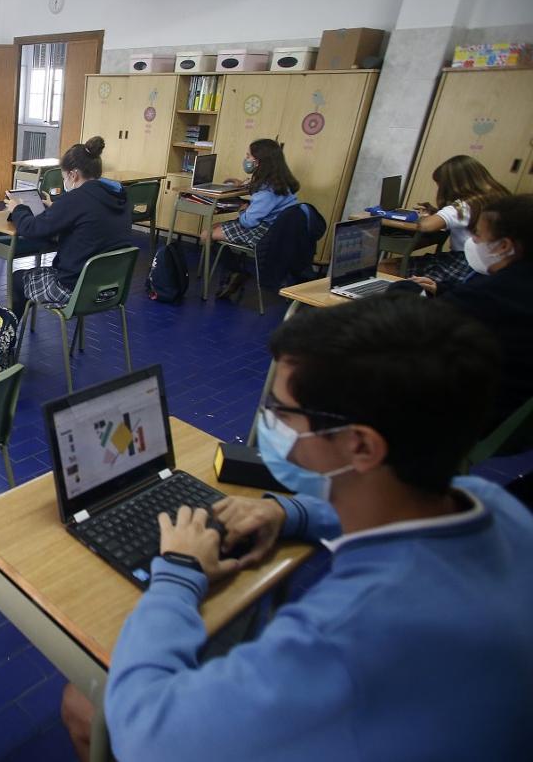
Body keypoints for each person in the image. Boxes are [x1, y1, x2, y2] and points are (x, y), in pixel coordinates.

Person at [58, 294, 533, 762]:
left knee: (83, 706)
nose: (270, 422)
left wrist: (179, 572)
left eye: (283, 411)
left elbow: (147, 732)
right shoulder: (496, 507)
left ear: (361, 447)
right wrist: (290, 512)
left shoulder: (341, 635)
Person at [412, 193, 533, 424]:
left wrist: (404, 290)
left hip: (479, 411)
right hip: (515, 416)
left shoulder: (495, 293)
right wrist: (444, 289)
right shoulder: (516, 283)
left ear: (504, 246)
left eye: (478, 234)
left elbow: (418, 325)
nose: (474, 241)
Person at [5, 136, 133, 315]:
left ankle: (8, 338)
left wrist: (18, 208)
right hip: (111, 289)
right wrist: (58, 207)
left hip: (75, 290)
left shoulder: (76, 200)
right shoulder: (120, 197)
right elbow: (89, 219)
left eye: (64, 176)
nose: (64, 181)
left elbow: (31, 229)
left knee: (17, 279)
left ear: (73, 175)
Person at [212, 138, 301, 298]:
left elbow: (249, 221)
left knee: (207, 234)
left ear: (259, 162)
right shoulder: (280, 180)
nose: (246, 159)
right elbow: (262, 199)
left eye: (248, 156)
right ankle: (235, 271)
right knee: (216, 227)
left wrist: (241, 208)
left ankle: (236, 272)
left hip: (264, 232)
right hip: (276, 228)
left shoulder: (267, 191)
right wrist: (244, 185)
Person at [406, 155, 509, 286]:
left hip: (464, 262)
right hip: (489, 261)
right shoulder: (497, 195)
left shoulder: (464, 205)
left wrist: (425, 216)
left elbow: (426, 226)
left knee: (387, 267)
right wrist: (438, 212)